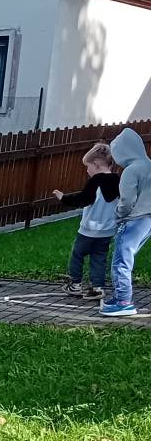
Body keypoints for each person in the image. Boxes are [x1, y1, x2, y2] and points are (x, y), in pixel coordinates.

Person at [51, 142, 119, 299]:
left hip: (88, 229)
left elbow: (83, 199)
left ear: (96, 164)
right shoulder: (118, 180)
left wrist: (63, 198)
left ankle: (75, 284)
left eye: (88, 166)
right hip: (107, 230)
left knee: (77, 254)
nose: (87, 171)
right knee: (99, 258)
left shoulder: (95, 181)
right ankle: (98, 288)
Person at [101, 128, 151, 317]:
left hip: (134, 220)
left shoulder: (131, 171)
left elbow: (127, 200)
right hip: (148, 220)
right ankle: (120, 297)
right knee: (127, 257)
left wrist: (118, 215)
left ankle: (124, 302)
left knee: (121, 261)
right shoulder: (149, 165)